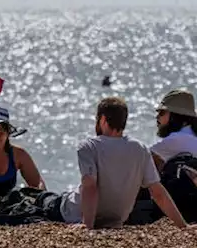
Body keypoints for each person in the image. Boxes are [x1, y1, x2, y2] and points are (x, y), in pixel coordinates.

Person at [49, 96, 192, 230]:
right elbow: (157, 192)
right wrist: (183, 226)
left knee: (44, 200)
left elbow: (90, 186)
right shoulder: (140, 149)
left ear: (103, 120)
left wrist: (87, 225)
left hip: (71, 211)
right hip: (115, 220)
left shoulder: (89, 146)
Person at [151, 89, 197, 171]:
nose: (157, 117)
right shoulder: (192, 135)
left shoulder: (177, 139)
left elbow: (140, 158)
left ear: (175, 116)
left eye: (161, 113)